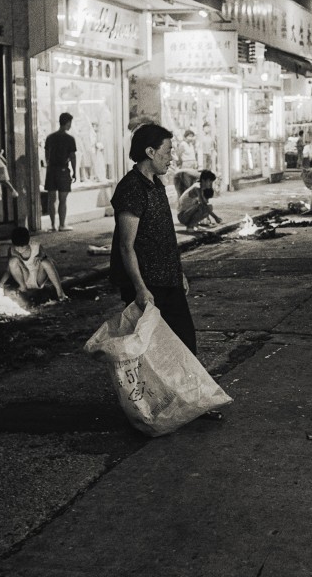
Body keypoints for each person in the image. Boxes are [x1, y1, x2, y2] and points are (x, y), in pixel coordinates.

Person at [108, 123, 221, 422]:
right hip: (148, 285)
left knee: (183, 341)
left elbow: (164, 235)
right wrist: (141, 289)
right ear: (150, 152)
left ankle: (191, 401)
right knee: (152, 352)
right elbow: (126, 246)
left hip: (167, 278)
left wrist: (178, 270)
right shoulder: (131, 188)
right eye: (168, 151)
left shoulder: (156, 184)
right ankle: (157, 407)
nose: (172, 157)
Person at [1, 227, 67, 300]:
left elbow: (52, 262)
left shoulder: (36, 247)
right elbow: (8, 270)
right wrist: (1, 283)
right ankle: (23, 287)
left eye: (22, 247)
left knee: (46, 262)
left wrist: (41, 257)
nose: (19, 250)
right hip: (23, 280)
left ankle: (60, 292)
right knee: (12, 261)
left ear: (28, 242)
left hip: (37, 278)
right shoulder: (12, 250)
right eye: (17, 247)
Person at [44, 113, 78, 232]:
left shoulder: (50, 137)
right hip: (63, 170)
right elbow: (72, 156)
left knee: (51, 199)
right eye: (70, 123)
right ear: (68, 122)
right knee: (62, 199)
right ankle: (62, 224)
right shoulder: (70, 139)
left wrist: (49, 164)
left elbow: (47, 154)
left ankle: (52, 225)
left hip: (51, 170)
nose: (70, 126)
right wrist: (74, 172)